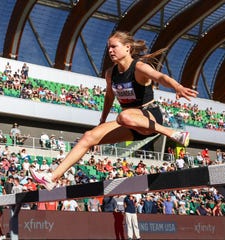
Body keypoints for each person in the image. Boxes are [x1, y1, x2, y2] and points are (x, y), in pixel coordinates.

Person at [31, 31, 198, 190]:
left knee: (124, 116)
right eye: (108, 47)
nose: (110, 51)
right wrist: (102, 122)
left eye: (114, 46)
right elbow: (109, 97)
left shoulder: (138, 67)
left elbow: (160, 77)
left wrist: (177, 87)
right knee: (89, 136)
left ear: (127, 48)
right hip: (129, 123)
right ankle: (52, 178)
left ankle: (172, 133)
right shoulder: (110, 73)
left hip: (150, 117)